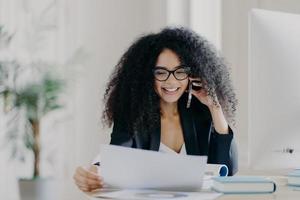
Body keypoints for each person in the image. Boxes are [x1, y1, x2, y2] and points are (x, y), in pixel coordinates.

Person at [73, 27, 238, 192]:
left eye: (180, 72)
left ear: (192, 74)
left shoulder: (202, 113)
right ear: (146, 75)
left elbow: (227, 170)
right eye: (161, 72)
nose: (171, 81)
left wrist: (214, 107)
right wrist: (96, 171)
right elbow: (118, 155)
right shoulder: (134, 114)